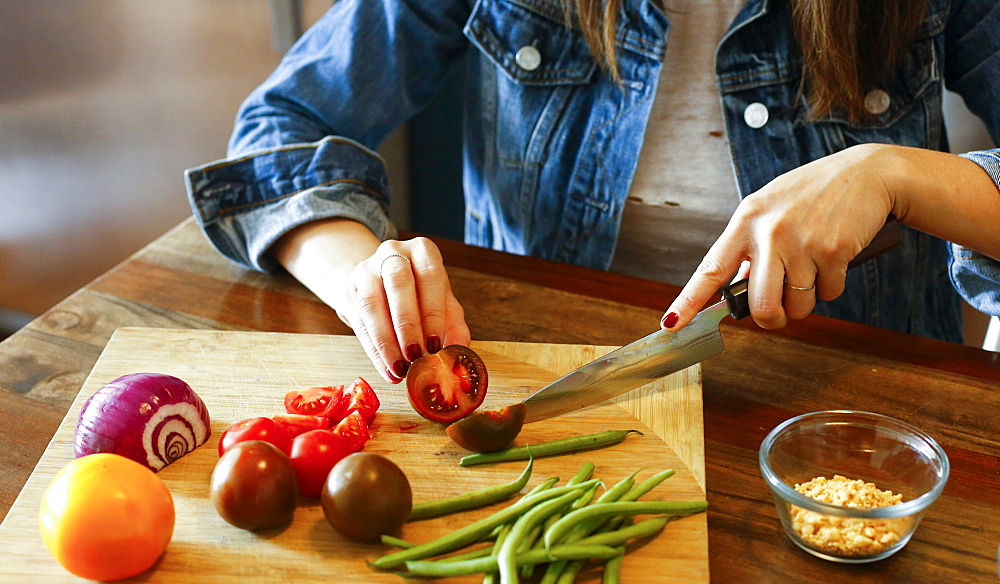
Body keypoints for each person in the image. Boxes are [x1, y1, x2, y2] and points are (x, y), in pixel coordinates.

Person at [185, 0, 1000, 385]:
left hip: (856, 398)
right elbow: (283, 125)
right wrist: (362, 274)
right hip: (534, 376)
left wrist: (892, 174)